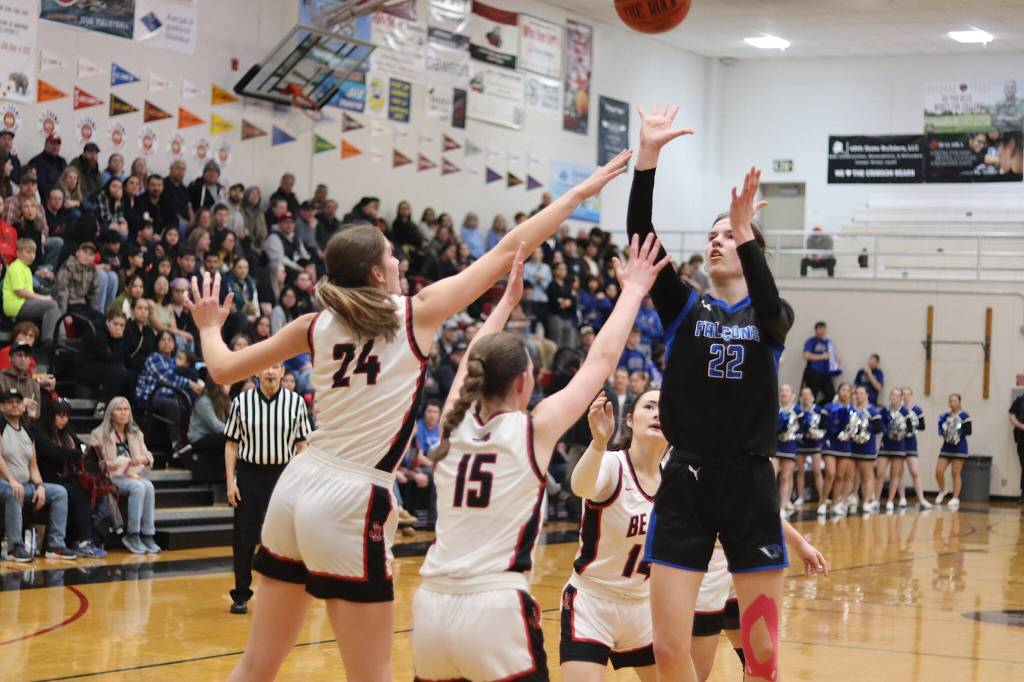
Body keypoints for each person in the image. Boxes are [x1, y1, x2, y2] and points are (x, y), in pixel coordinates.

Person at [187, 150, 631, 682]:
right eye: (393, 257)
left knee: (257, 663)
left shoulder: (313, 325)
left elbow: (222, 370)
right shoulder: (414, 314)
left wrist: (210, 325)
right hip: (350, 497)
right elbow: (512, 245)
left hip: (295, 484)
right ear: (377, 272)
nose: (400, 262)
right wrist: (584, 192)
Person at [412, 232, 667, 682]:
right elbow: (601, 360)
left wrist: (504, 305)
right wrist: (632, 290)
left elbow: (475, 354)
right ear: (524, 385)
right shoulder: (532, 429)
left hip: (430, 604)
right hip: (493, 604)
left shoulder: (452, 422)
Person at [626, 102, 795, 682]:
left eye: (730, 235)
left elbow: (772, 307)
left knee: (762, 654)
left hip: (750, 483)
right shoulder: (685, 308)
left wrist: (746, 229)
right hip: (687, 481)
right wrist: (647, 159)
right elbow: (641, 238)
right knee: (669, 651)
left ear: (751, 250)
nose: (717, 241)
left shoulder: (771, 316)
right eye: (714, 234)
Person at [560, 390, 666, 681]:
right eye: (649, 406)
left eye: (665, 408)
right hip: (593, 601)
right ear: (630, 419)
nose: (658, 413)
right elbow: (580, 487)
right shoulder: (611, 464)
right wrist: (597, 444)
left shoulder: (677, 478)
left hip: (644, 606)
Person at [223, 363, 311, 614]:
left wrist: (300, 480)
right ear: (257, 372)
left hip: (283, 475)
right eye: (265, 367)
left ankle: (284, 593)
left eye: (276, 367)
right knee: (244, 538)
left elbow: (302, 445)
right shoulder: (242, 401)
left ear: (283, 372)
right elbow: (231, 443)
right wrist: (231, 481)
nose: (270, 371)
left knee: (285, 537)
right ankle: (241, 594)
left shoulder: (296, 403)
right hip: (250, 474)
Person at [0, 388, 77, 561]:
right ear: (2, 407)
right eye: (9, 402)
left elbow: (33, 465)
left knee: (59, 492)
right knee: (15, 492)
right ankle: (15, 547)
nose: (14, 405)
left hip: (25, 483)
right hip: (5, 482)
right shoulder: (1, 426)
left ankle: (56, 545)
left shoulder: (28, 430)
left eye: (18, 402)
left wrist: (40, 485)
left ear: (23, 407)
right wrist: (11, 480)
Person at [31, 398, 107, 557]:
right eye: (60, 415)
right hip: (46, 479)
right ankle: (83, 541)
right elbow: (51, 450)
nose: (64, 420)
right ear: (50, 415)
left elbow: (82, 448)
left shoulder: (67, 432)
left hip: (66, 479)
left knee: (97, 492)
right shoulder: (37, 430)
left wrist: (93, 453)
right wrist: (76, 454)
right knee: (80, 495)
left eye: (66, 416)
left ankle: (88, 538)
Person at [88, 397, 159, 554]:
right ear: (111, 413)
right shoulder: (99, 434)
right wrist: (108, 464)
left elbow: (149, 456)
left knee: (148, 486)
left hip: (130, 474)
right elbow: (91, 462)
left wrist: (143, 459)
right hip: (111, 476)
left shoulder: (135, 433)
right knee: (138, 487)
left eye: (126, 409)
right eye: (119, 409)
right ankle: (132, 534)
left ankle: (148, 534)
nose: (123, 413)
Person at [135, 330, 203, 449]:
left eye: (170, 340)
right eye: (163, 340)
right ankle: (176, 442)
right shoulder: (154, 358)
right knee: (172, 404)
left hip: (164, 395)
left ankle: (193, 438)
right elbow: (166, 378)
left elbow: (181, 377)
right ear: (158, 343)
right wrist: (190, 383)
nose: (166, 342)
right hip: (147, 397)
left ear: (174, 344)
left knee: (190, 399)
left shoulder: (173, 361)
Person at [76, 310, 134, 416]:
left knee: (130, 375)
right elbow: (109, 357)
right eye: (115, 324)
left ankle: (126, 412)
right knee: (118, 371)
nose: (118, 328)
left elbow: (123, 359)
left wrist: (119, 340)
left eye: (122, 325)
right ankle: (102, 406)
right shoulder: (97, 334)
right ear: (108, 322)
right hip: (87, 367)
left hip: (107, 368)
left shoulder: (122, 338)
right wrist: (118, 341)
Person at [3, 239, 61, 343]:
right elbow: (20, 291)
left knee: (55, 302)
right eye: (28, 252)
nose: (32, 256)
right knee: (51, 305)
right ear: (18, 253)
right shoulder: (16, 267)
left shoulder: (26, 268)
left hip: (23, 302)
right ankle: (49, 340)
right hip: (16, 305)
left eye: (34, 253)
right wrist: (43, 298)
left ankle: (60, 339)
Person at [819, 383, 853, 516]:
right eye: (843, 390)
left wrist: (849, 432)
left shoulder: (852, 410)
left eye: (848, 391)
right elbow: (822, 423)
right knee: (831, 474)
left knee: (840, 476)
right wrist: (833, 425)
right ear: (838, 392)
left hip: (844, 445)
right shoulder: (829, 407)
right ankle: (822, 502)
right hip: (830, 444)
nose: (845, 393)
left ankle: (835, 504)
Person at [848, 385, 882, 514]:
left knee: (866, 475)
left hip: (867, 447)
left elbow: (879, 428)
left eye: (861, 393)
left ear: (867, 394)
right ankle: (852, 497)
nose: (859, 395)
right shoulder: (852, 410)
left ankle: (867, 501)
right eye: (857, 393)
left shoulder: (873, 410)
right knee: (850, 475)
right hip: (852, 446)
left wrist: (865, 431)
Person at [935, 393, 971, 511]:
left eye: (954, 401)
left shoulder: (965, 416)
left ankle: (955, 497)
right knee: (939, 471)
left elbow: (968, 431)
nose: (952, 403)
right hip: (946, 446)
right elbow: (940, 430)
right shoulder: (945, 416)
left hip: (959, 447)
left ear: (959, 402)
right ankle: (942, 490)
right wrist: (945, 432)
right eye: (950, 401)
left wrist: (956, 432)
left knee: (955, 473)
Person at [56, 241, 104, 329]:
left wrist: (94, 311)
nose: (87, 256)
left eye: (91, 254)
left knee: (102, 320)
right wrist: (63, 314)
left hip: (82, 304)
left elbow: (93, 294)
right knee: (87, 323)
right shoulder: (68, 266)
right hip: (69, 305)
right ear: (77, 253)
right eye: (84, 252)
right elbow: (62, 291)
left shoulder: (92, 270)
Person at [897, 386, 930, 509]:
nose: (905, 397)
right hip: (899, 442)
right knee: (899, 472)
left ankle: (921, 498)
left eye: (907, 394)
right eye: (903, 394)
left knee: (915, 471)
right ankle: (902, 498)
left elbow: (922, 426)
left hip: (911, 442)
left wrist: (912, 424)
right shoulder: (898, 410)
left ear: (911, 396)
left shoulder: (917, 410)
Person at [876, 388, 908, 512]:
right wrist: (886, 429)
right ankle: (876, 500)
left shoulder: (905, 412)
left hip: (899, 446)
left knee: (895, 474)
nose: (895, 397)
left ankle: (890, 500)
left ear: (901, 399)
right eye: (893, 395)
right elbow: (880, 426)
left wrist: (900, 432)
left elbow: (910, 428)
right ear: (890, 397)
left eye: (898, 396)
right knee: (880, 473)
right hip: (886, 444)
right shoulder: (884, 411)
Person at [795, 387, 827, 508]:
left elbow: (824, 426)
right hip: (801, 443)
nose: (806, 397)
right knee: (800, 472)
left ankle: (822, 498)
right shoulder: (798, 411)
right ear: (800, 397)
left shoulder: (818, 410)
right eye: (803, 394)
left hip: (814, 443)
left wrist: (818, 434)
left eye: (808, 394)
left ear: (812, 397)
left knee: (817, 471)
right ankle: (800, 497)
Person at [0, 343, 43, 419]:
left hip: (27, 426)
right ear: (10, 358)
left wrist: (32, 412)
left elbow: (37, 414)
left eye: (26, 356)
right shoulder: (1, 378)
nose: (23, 359)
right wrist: (22, 404)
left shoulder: (33, 383)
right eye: (19, 355)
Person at [776, 384, 800, 514]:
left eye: (786, 390)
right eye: (782, 390)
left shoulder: (797, 410)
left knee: (785, 476)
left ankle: (782, 507)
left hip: (789, 446)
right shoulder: (775, 408)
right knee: (771, 476)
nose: (784, 393)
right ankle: (770, 504)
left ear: (792, 394)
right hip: (775, 445)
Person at [802, 321, 840, 404]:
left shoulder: (828, 342)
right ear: (816, 330)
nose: (823, 331)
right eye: (821, 329)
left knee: (831, 396)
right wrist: (822, 357)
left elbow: (833, 355)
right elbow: (806, 355)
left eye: (824, 329)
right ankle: (811, 412)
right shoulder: (811, 341)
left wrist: (837, 361)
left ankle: (819, 409)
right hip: (813, 372)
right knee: (811, 396)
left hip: (826, 374)